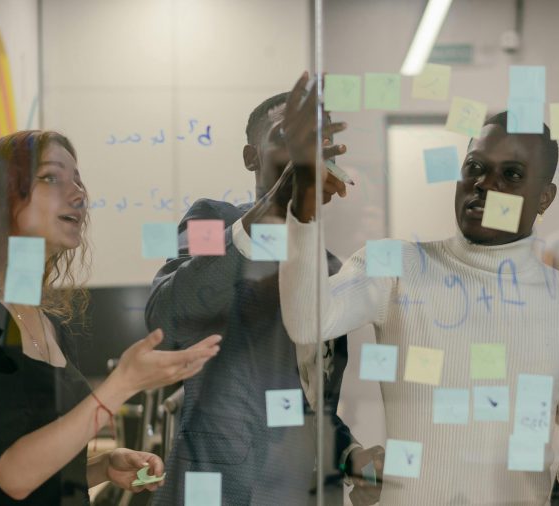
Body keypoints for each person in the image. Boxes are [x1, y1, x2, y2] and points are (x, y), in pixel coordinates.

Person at [278, 73, 559, 504]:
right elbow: (307, 321)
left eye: (511, 175)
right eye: (474, 167)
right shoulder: (395, 265)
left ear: (544, 198)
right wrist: (303, 199)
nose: (485, 185)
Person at [0, 130, 221, 505]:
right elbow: (11, 479)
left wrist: (103, 466)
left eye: (78, 181)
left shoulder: (46, 322)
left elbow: (41, 477)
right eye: (51, 177)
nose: (78, 194)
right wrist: (123, 383)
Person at [145, 88, 383, 506]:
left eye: (317, 142)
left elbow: (308, 399)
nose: (304, 153)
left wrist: (350, 455)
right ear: (250, 157)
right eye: (285, 137)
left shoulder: (327, 268)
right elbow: (166, 319)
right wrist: (276, 208)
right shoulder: (211, 220)